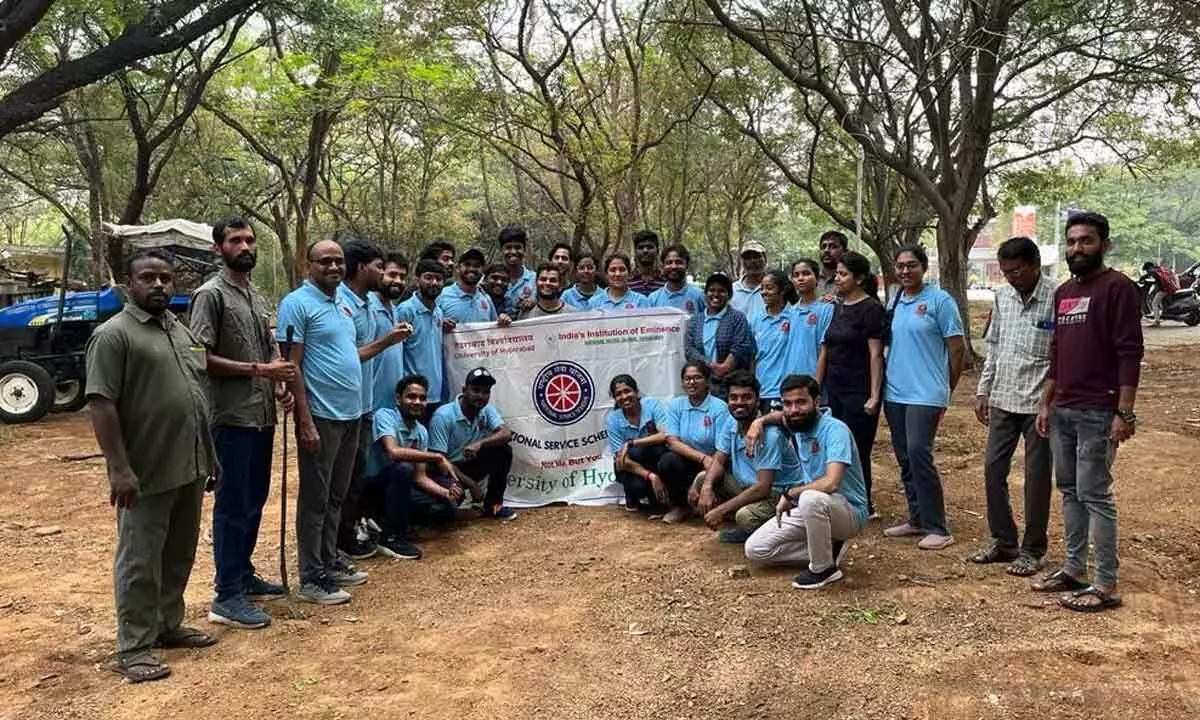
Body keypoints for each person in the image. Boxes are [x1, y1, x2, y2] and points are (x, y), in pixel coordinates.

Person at [86, 248, 219, 682]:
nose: (159, 285)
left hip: (189, 465)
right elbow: (102, 404)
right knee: (140, 559)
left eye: (165, 277)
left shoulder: (177, 328)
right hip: (145, 471)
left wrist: (210, 457)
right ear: (130, 282)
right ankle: (135, 645)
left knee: (178, 552)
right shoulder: (114, 335)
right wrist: (119, 469)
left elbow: (196, 397)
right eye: (148, 278)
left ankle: (167, 624)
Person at [1032, 211, 1143, 613]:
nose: (1077, 248)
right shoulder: (1063, 292)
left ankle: (1107, 584)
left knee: (1096, 494)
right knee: (1070, 491)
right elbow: (1058, 353)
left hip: (1099, 411)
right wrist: (1047, 402)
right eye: (1072, 241)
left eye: (1087, 241)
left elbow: (1130, 353)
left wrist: (1124, 412)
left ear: (1105, 245)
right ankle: (1075, 569)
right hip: (1063, 409)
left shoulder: (1119, 288)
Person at [189, 218, 295, 630]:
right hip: (230, 418)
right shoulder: (210, 295)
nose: (245, 246)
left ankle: (243, 574)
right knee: (232, 504)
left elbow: (270, 353)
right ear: (219, 249)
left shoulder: (256, 295)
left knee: (254, 499)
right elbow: (199, 357)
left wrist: (278, 387)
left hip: (260, 416)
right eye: (236, 240)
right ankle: (226, 595)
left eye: (250, 240)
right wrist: (260, 371)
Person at [277, 240, 370, 605]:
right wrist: (305, 420)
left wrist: (387, 342)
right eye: (325, 261)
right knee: (315, 500)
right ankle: (311, 577)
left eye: (338, 261)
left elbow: (349, 354)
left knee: (336, 495)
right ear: (308, 264)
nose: (333, 267)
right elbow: (292, 365)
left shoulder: (342, 302)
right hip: (322, 415)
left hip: (351, 414)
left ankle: (329, 560)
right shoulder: (296, 304)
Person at [969, 237, 1055, 576]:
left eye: (1016, 270)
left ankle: (1033, 549)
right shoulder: (1002, 297)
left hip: (1039, 404)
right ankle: (1004, 542)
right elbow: (994, 348)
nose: (1010, 277)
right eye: (1005, 272)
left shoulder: (1057, 297)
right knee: (993, 470)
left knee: (1036, 479)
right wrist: (982, 391)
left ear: (1035, 265)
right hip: (1003, 398)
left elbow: (1061, 356)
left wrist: (1052, 402)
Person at [744, 374, 869, 589]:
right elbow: (779, 417)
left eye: (801, 402)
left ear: (817, 402)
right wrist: (759, 421)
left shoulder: (834, 430)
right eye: (788, 403)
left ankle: (823, 569)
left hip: (847, 510)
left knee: (810, 498)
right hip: (813, 507)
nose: (793, 409)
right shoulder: (797, 422)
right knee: (755, 550)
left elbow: (831, 483)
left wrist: (790, 493)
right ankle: (829, 548)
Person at [882, 244, 967, 551]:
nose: (905, 271)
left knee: (919, 453)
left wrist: (947, 389)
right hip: (895, 392)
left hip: (926, 393)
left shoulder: (940, 301)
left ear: (924, 267)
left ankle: (938, 527)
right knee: (905, 457)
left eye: (911, 265)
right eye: (900, 266)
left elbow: (957, 349)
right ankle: (917, 518)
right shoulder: (895, 300)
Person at [336, 239, 412, 561]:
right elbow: (350, 356)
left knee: (361, 474)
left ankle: (361, 527)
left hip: (370, 405)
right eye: (382, 269)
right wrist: (388, 340)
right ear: (362, 267)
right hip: (348, 407)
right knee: (347, 478)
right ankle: (343, 539)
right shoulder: (342, 304)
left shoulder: (372, 304)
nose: (386, 276)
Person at [690, 370, 802, 543]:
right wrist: (706, 488)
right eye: (733, 397)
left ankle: (761, 532)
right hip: (747, 486)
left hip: (779, 495)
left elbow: (763, 487)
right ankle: (742, 519)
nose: (739, 403)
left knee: (745, 517)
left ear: (758, 401)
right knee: (703, 479)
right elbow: (719, 459)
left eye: (746, 397)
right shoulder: (731, 422)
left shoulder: (769, 435)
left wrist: (722, 509)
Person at [365, 375, 470, 560]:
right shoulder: (384, 416)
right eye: (411, 397)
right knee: (403, 468)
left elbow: (420, 477)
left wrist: (447, 494)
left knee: (448, 505)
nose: (417, 402)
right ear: (398, 399)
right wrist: (437, 457)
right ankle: (391, 537)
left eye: (422, 398)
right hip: (374, 487)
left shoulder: (421, 431)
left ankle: (393, 522)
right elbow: (393, 452)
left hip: (403, 486)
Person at [815, 251, 884, 518]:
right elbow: (827, 349)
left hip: (860, 391)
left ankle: (863, 503)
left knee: (857, 448)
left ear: (859, 278)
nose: (838, 278)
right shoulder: (838, 307)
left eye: (844, 274)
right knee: (835, 445)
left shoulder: (871, 309)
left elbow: (875, 355)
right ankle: (840, 497)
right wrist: (817, 388)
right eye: (838, 274)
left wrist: (874, 396)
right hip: (835, 389)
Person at [429, 368, 518, 521]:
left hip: (467, 465)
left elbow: (506, 433)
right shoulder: (443, 416)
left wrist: (480, 443)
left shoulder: (486, 410)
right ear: (464, 390)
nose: (481, 396)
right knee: (445, 510)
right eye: (476, 390)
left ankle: (493, 506)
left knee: (503, 450)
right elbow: (439, 461)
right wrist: (472, 485)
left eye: (486, 392)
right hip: (446, 470)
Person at [659, 361, 731, 524]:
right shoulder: (676, 405)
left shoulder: (720, 408)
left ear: (707, 381)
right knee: (668, 460)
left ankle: (713, 501)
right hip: (693, 460)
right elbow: (672, 441)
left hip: (716, 463)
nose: (691, 382)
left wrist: (699, 480)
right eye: (687, 379)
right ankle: (681, 506)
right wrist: (701, 458)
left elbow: (722, 450)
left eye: (697, 378)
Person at [606, 374, 670, 516]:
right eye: (619, 394)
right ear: (614, 398)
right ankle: (634, 496)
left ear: (636, 391)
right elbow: (621, 460)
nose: (624, 396)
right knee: (636, 480)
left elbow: (665, 435)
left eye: (627, 391)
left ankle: (659, 500)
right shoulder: (613, 420)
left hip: (653, 458)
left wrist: (633, 442)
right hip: (632, 466)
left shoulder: (653, 405)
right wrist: (652, 477)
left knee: (665, 455)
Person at [685, 272, 755, 398]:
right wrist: (710, 366)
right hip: (703, 385)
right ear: (705, 294)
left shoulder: (737, 318)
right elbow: (690, 350)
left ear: (729, 295)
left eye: (721, 291)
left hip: (732, 386)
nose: (716, 294)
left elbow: (741, 347)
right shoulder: (695, 321)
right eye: (712, 290)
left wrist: (724, 368)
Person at [397, 260, 448, 424]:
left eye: (438, 279)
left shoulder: (439, 312)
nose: (434, 283)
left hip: (434, 395)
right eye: (428, 277)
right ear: (418, 279)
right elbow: (396, 352)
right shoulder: (406, 310)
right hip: (413, 395)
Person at [750, 269, 798, 411]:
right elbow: (752, 358)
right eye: (762, 288)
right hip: (761, 390)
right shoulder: (756, 320)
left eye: (769, 288)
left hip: (786, 391)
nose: (764, 292)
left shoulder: (794, 316)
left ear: (782, 291)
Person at [370, 251, 409, 413]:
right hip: (370, 405)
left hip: (392, 406)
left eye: (402, 276)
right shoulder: (368, 306)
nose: (398, 281)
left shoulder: (394, 310)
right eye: (392, 274)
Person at [437, 248, 509, 326]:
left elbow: (495, 329)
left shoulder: (486, 299)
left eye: (477, 265)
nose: (472, 269)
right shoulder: (442, 295)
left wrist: (503, 320)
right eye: (467, 264)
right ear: (458, 268)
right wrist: (439, 323)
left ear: (482, 270)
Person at [787, 258, 834, 377]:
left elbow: (825, 351)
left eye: (806, 273)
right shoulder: (790, 312)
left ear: (817, 278)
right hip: (791, 379)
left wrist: (816, 384)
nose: (801, 278)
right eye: (796, 275)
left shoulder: (827, 309)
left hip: (814, 380)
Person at [648, 244, 705, 315]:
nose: (674, 266)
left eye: (679, 262)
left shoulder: (699, 296)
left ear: (686, 265)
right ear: (663, 266)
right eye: (669, 262)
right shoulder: (653, 299)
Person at [500, 225, 537, 316]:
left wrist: (534, 302)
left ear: (524, 250)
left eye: (517, 247)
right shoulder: (491, 279)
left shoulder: (535, 279)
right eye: (508, 247)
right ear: (501, 250)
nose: (513, 252)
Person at [730, 240, 767, 317]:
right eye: (747, 258)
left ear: (765, 259)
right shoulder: (732, 290)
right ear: (742, 262)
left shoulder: (775, 289)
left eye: (756, 257)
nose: (752, 261)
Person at [628, 229, 667, 295]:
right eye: (641, 247)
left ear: (657, 250)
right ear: (635, 251)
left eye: (650, 247)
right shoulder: (626, 281)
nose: (645, 251)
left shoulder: (666, 281)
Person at [1143, 261, 1179, 327]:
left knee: (1154, 304)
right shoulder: (1160, 270)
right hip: (1169, 289)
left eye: (1147, 270)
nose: (1147, 271)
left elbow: (1159, 282)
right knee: (1155, 297)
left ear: (1150, 268)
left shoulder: (1156, 273)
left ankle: (1157, 321)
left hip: (1165, 290)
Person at [818, 231, 849, 298]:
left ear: (845, 251)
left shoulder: (851, 280)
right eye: (823, 247)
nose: (826, 250)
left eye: (833, 246)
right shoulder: (810, 277)